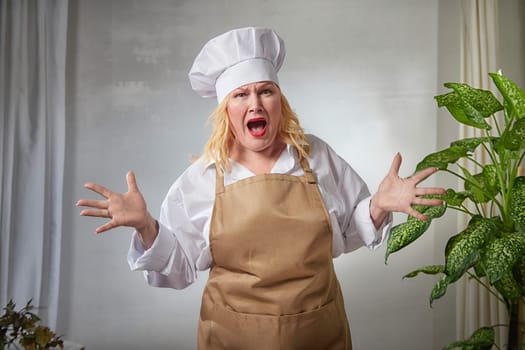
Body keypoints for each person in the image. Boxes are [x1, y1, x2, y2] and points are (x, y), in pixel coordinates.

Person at [77, 26, 446, 350]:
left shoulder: (314, 155)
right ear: (227, 111)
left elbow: (347, 232)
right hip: (233, 339)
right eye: (241, 95)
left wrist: (379, 205)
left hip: (320, 334)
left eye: (265, 92)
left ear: (279, 101)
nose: (255, 103)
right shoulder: (205, 177)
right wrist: (146, 227)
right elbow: (180, 268)